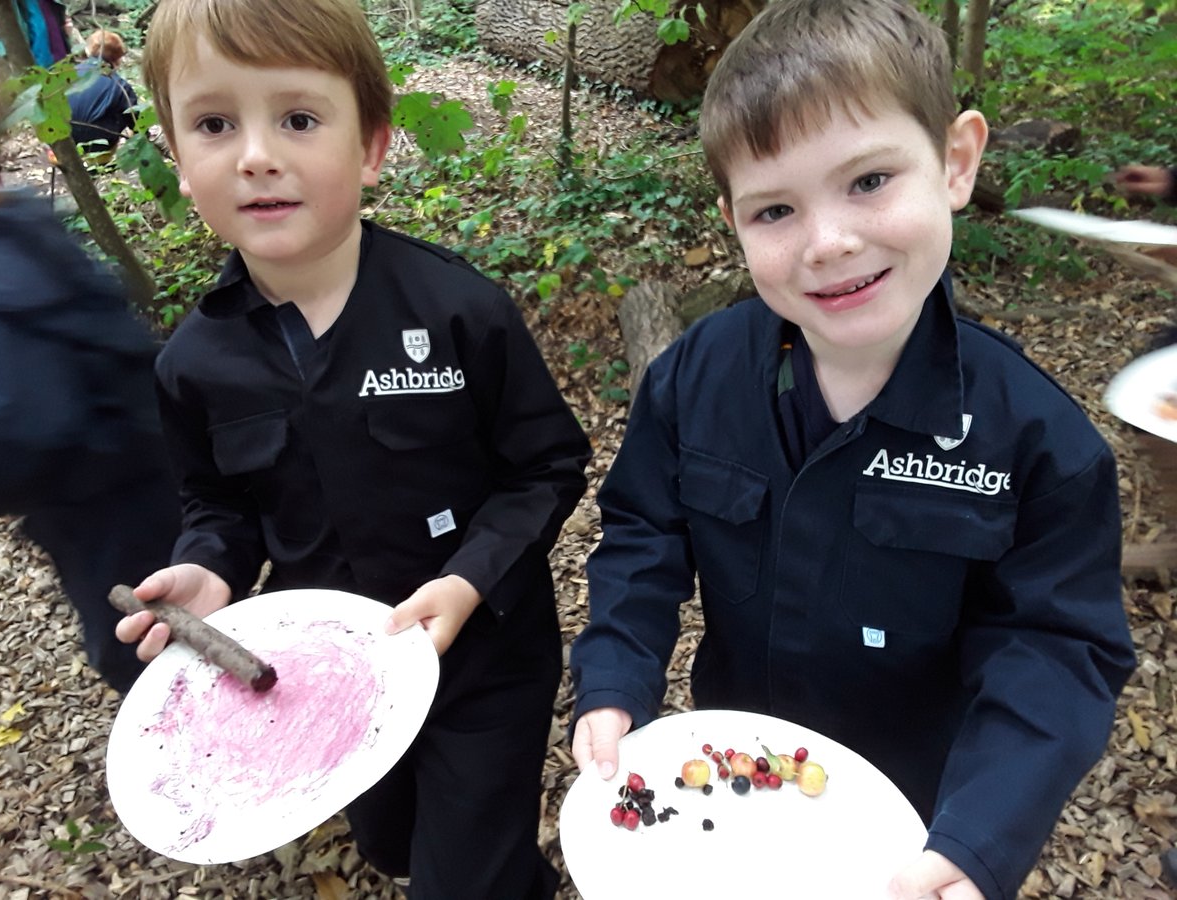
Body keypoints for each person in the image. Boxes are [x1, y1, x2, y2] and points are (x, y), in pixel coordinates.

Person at [568, 2, 1135, 899]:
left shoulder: (1036, 440)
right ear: (734, 220)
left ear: (955, 161)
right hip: (731, 786)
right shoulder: (695, 378)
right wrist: (612, 675)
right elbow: (643, 533)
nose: (828, 242)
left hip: (905, 820)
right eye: (776, 209)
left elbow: (1056, 649)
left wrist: (983, 833)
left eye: (869, 181)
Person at [113, 1, 591, 897]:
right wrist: (207, 570)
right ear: (177, 161)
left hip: (481, 659)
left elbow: (549, 464)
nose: (257, 155)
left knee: (461, 882)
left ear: (370, 146)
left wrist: (471, 576)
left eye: (297, 119)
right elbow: (218, 507)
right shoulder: (193, 364)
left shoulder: (458, 312)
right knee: (398, 846)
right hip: (334, 678)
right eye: (215, 124)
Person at [0, 45, 181, 694]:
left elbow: (19, 433)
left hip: (116, 502)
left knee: (147, 650)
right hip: (126, 479)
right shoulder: (18, 220)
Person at [67, 29, 138, 153]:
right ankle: (103, 161)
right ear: (117, 59)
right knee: (124, 108)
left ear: (89, 51)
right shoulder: (119, 85)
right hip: (98, 144)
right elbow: (136, 121)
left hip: (63, 139)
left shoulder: (67, 74)